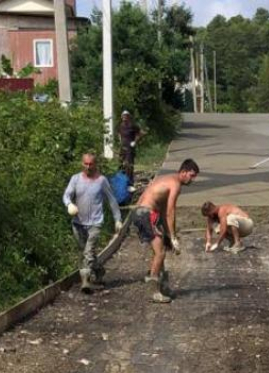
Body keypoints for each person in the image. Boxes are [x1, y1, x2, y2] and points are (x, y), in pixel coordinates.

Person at [133, 158, 200, 303]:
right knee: (160, 252)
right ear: (183, 172)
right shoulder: (175, 184)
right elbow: (170, 211)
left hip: (141, 213)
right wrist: (174, 237)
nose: (192, 179)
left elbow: (162, 211)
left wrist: (169, 235)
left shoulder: (164, 179)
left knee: (161, 248)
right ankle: (154, 291)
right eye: (191, 175)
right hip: (146, 214)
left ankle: (163, 286)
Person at [62, 153, 123, 293]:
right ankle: (99, 270)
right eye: (86, 164)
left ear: (95, 164)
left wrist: (118, 219)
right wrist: (69, 204)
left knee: (88, 252)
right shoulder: (75, 179)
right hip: (78, 222)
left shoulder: (101, 181)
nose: (88, 167)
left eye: (91, 164)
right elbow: (66, 195)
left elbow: (112, 200)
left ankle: (85, 281)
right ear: (82, 164)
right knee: (85, 251)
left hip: (95, 222)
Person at [118, 110, 143, 183]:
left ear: (129, 117)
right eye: (123, 116)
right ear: (121, 117)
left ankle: (129, 180)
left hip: (130, 147)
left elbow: (140, 133)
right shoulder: (120, 125)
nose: (125, 117)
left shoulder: (132, 125)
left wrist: (135, 141)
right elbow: (119, 133)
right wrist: (120, 140)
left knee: (129, 164)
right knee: (121, 163)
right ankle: (121, 179)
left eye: (126, 116)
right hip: (122, 146)